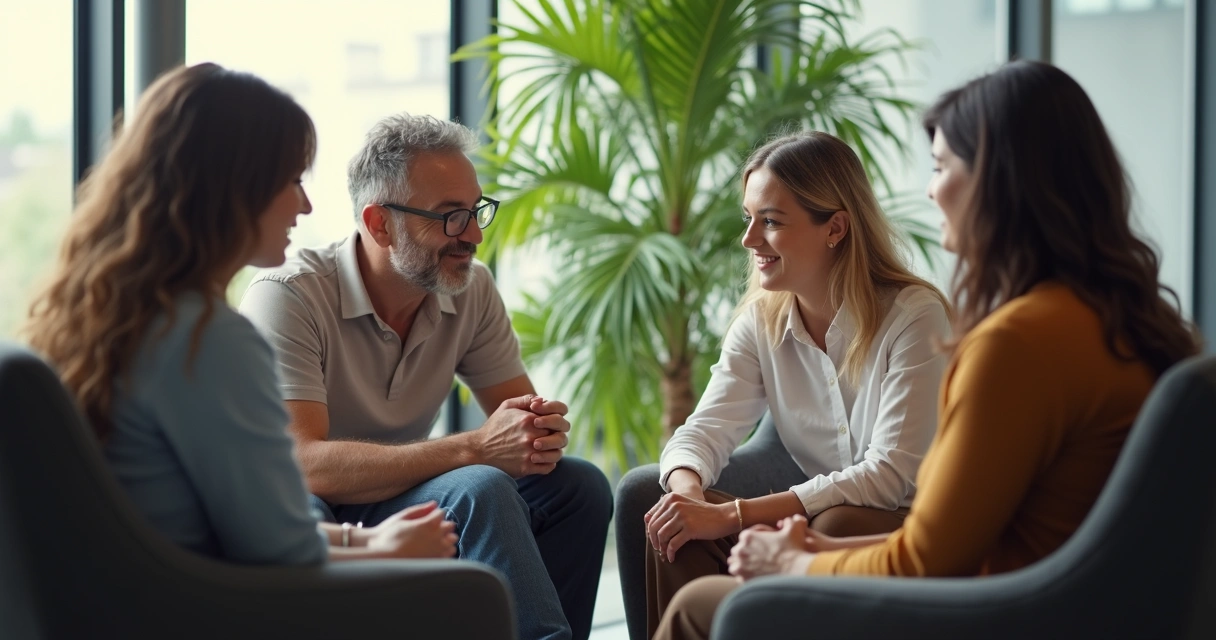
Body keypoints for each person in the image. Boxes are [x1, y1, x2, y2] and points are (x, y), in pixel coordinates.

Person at [651, 59, 1203, 640]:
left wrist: (796, 562)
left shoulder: (1015, 343)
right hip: (1054, 600)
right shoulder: (1116, 322)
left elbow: (927, 557)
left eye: (941, 166)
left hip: (1001, 611)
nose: (931, 189)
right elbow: (971, 539)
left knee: (705, 607)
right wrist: (803, 543)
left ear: (1000, 181)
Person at [23, 63, 456, 565]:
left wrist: (368, 540)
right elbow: (281, 549)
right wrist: (386, 550)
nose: (306, 205)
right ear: (234, 188)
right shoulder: (206, 338)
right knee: (473, 591)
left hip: (129, 600)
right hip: (205, 608)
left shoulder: (101, 317)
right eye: (293, 180)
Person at [238, 113, 613, 640]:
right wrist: (476, 449)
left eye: (476, 211)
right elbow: (301, 463)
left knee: (578, 486)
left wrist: (537, 431)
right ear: (378, 224)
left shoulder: (469, 289)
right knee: (478, 485)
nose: (475, 234)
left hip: (404, 492)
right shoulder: (289, 294)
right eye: (450, 216)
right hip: (317, 510)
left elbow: (518, 425)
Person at [612, 130, 952, 639]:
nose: (749, 240)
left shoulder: (913, 318)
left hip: (912, 530)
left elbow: (888, 477)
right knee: (664, 511)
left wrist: (733, 515)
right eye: (748, 219)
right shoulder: (762, 321)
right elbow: (701, 431)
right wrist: (689, 499)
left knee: (838, 522)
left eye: (770, 222)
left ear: (835, 227)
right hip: (815, 525)